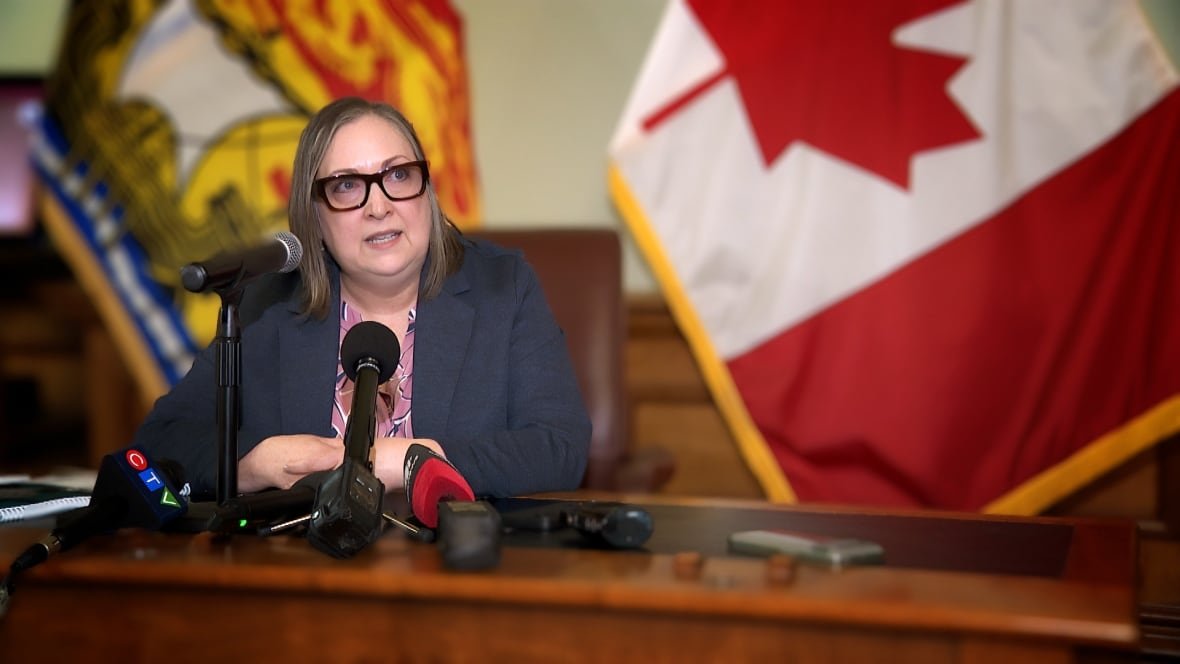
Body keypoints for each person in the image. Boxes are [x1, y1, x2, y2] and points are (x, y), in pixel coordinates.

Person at [134, 96, 591, 499]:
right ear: (313, 213)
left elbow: (560, 448)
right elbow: (159, 440)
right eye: (346, 185)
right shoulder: (266, 304)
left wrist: (413, 460)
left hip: (455, 571)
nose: (379, 206)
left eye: (398, 174)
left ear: (426, 191)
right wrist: (250, 464)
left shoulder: (502, 287)